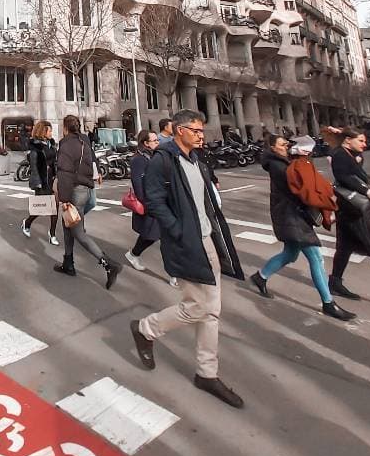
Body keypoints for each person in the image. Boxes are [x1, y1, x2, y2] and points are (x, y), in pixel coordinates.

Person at [131, 109, 245, 408]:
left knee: (211, 310)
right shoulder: (163, 160)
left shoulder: (196, 159)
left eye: (202, 130)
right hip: (186, 242)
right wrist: (177, 230)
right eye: (195, 130)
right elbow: (154, 199)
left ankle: (207, 373)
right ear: (179, 130)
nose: (201, 134)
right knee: (199, 306)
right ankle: (146, 328)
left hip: (207, 238)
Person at [249, 134, 354, 320]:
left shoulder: (285, 162)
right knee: (316, 257)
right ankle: (328, 303)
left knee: (290, 254)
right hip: (291, 216)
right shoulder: (278, 165)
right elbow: (301, 187)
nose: (286, 146)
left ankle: (260, 277)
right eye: (282, 144)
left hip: (292, 216)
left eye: (287, 143)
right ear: (273, 148)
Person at [54, 115, 120, 287]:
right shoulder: (84, 140)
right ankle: (68, 263)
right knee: (68, 223)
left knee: (78, 232)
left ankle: (108, 264)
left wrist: (64, 198)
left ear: (65, 127)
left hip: (74, 191)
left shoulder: (66, 144)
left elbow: (65, 172)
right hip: (85, 189)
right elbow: (90, 162)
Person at [328, 126, 370, 299]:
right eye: (361, 140)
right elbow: (345, 177)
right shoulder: (339, 155)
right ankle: (335, 282)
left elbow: (357, 171)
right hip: (354, 210)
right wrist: (369, 192)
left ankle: (335, 282)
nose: (365, 143)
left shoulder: (349, 154)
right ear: (348, 141)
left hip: (348, 210)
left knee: (344, 247)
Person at [124, 130, 177, 285]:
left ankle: (134, 254)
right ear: (145, 143)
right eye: (154, 141)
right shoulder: (138, 160)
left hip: (161, 201)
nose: (157, 142)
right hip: (152, 203)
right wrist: (148, 204)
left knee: (156, 236)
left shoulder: (155, 156)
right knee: (158, 237)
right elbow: (138, 184)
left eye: (157, 140)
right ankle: (173, 274)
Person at [21, 120, 59, 246]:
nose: (51, 133)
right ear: (43, 131)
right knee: (41, 208)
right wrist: (37, 183)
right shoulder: (35, 147)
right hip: (42, 180)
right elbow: (34, 167)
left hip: (52, 179)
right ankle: (27, 222)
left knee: (55, 208)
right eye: (49, 130)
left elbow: (55, 161)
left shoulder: (51, 144)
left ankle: (52, 234)